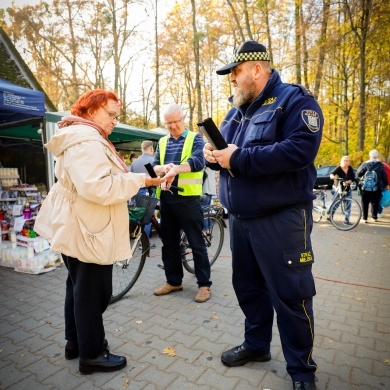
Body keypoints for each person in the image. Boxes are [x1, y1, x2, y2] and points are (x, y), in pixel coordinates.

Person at [203, 40, 323, 390]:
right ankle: (256, 346)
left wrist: (238, 159)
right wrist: (214, 154)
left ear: (257, 68)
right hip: (241, 219)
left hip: (282, 219)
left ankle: (301, 371)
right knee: (249, 289)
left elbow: (300, 150)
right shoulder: (237, 109)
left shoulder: (294, 100)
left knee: (290, 294)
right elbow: (224, 149)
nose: (233, 80)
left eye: (236, 72)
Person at [34, 89, 162, 375]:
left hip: (77, 224)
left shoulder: (82, 135)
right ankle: (92, 354)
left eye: (117, 116)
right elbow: (98, 187)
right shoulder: (87, 141)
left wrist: (143, 177)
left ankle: (76, 343)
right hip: (87, 227)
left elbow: (96, 179)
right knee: (95, 292)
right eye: (110, 114)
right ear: (91, 111)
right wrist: (141, 179)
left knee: (78, 287)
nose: (114, 121)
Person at [152, 103, 212, 303]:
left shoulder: (195, 138)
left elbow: (198, 161)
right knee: (169, 244)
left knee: (196, 243)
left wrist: (176, 169)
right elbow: (152, 168)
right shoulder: (161, 141)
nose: (171, 127)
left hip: (188, 200)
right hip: (166, 199)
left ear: (183, 119)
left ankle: (204, 285)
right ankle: (173, 281)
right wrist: (163, 167)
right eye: (168, 123)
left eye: (175, 122)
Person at [129, 140, 156, 238]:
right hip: (148, 192)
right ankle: (145, 240)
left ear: (142, 149)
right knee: (147, 216)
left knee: (137, 215)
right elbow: (155, 179)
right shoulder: (153, 162)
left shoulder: (134, 163)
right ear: (151, 149)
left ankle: (138, 239)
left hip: (136, 192)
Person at [356, 149, 388, 223]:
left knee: (365, 202)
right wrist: (385, 184)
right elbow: (384, 176)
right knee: (375, 202)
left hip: (365, 187)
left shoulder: (365, 164)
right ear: (377, 156)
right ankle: (374, 217)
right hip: (377, 187)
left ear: (370, 156)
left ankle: (364, 218)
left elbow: (358, 174)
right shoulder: (380, 165)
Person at [329, 156, 356, 225]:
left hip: (347, 189)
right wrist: (332, 176)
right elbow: (332, 174)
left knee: (348, 204)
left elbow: (353, 178)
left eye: (347, 160)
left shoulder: (350, 169)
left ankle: (346, 221)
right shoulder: (339, 168)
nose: (345, 162)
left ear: (349, 162)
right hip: (338, 188)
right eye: (344, 160)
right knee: (337, 203)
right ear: (341, 161)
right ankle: (330, 216)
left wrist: (347, 182)